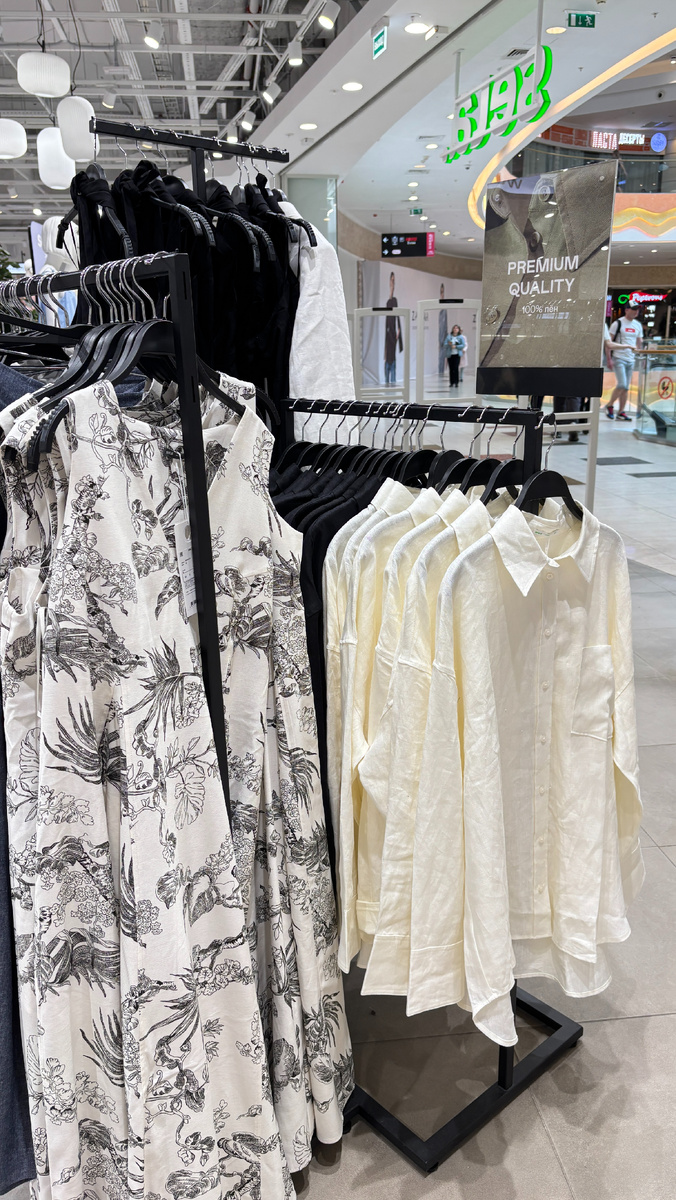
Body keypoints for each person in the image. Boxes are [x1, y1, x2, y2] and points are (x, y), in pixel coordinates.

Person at [605, 302, 643, 420]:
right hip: (619, 358)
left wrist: (641, 355)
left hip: (631, 359)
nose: (636, 312)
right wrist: (609, 359)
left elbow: (639, 342)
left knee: (626, 387)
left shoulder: (637, 325)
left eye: (637, 309)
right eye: (633, 309)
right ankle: (610, 405)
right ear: (626, 310)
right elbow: (608, 343)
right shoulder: (617, 323)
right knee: (622, 384)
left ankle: (621, 411)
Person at [384, 271, 403, 385]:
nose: (392, 283)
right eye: (391, 280)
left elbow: (398, 315)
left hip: (393, 331)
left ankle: (393, 380)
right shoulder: (389, 302)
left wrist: (399, 329)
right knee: (388, 353)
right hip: (389, 330)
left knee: (392, 353)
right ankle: (387, 379)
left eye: (393, 280)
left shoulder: (394, 301)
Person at [438, 283, 448, 375]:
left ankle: (442, 372)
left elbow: (445, 328)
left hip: (443, 341)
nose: (442, 295)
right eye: (441, 292)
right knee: (440, 357)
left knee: (442, 357)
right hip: (441, 341)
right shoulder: (441, 312)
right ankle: (441, 372)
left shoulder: (444, 312)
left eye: (443, 292)